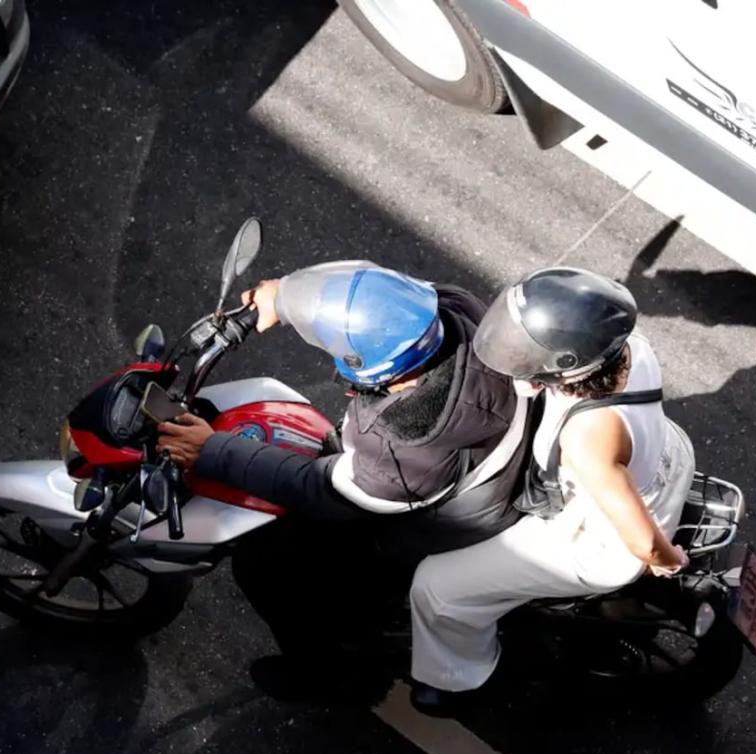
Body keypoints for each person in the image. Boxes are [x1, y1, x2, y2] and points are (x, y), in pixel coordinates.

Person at [158, 261, 527, 700]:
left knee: (268, 565)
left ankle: (329, 676)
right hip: (479, 457)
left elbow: (321, 489)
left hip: (436, 523)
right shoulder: (453, 311)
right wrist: (286, 297)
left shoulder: (404, 451)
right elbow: (380, 292)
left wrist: (212, 451)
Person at [406, 267, 696, 717]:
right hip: (667, 461)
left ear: (568, 366)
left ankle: (459, 679)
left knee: (436, 587)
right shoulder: (630, 348)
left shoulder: (589, 436)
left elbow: (639, 541)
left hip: (596, 540)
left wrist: (666, 560)